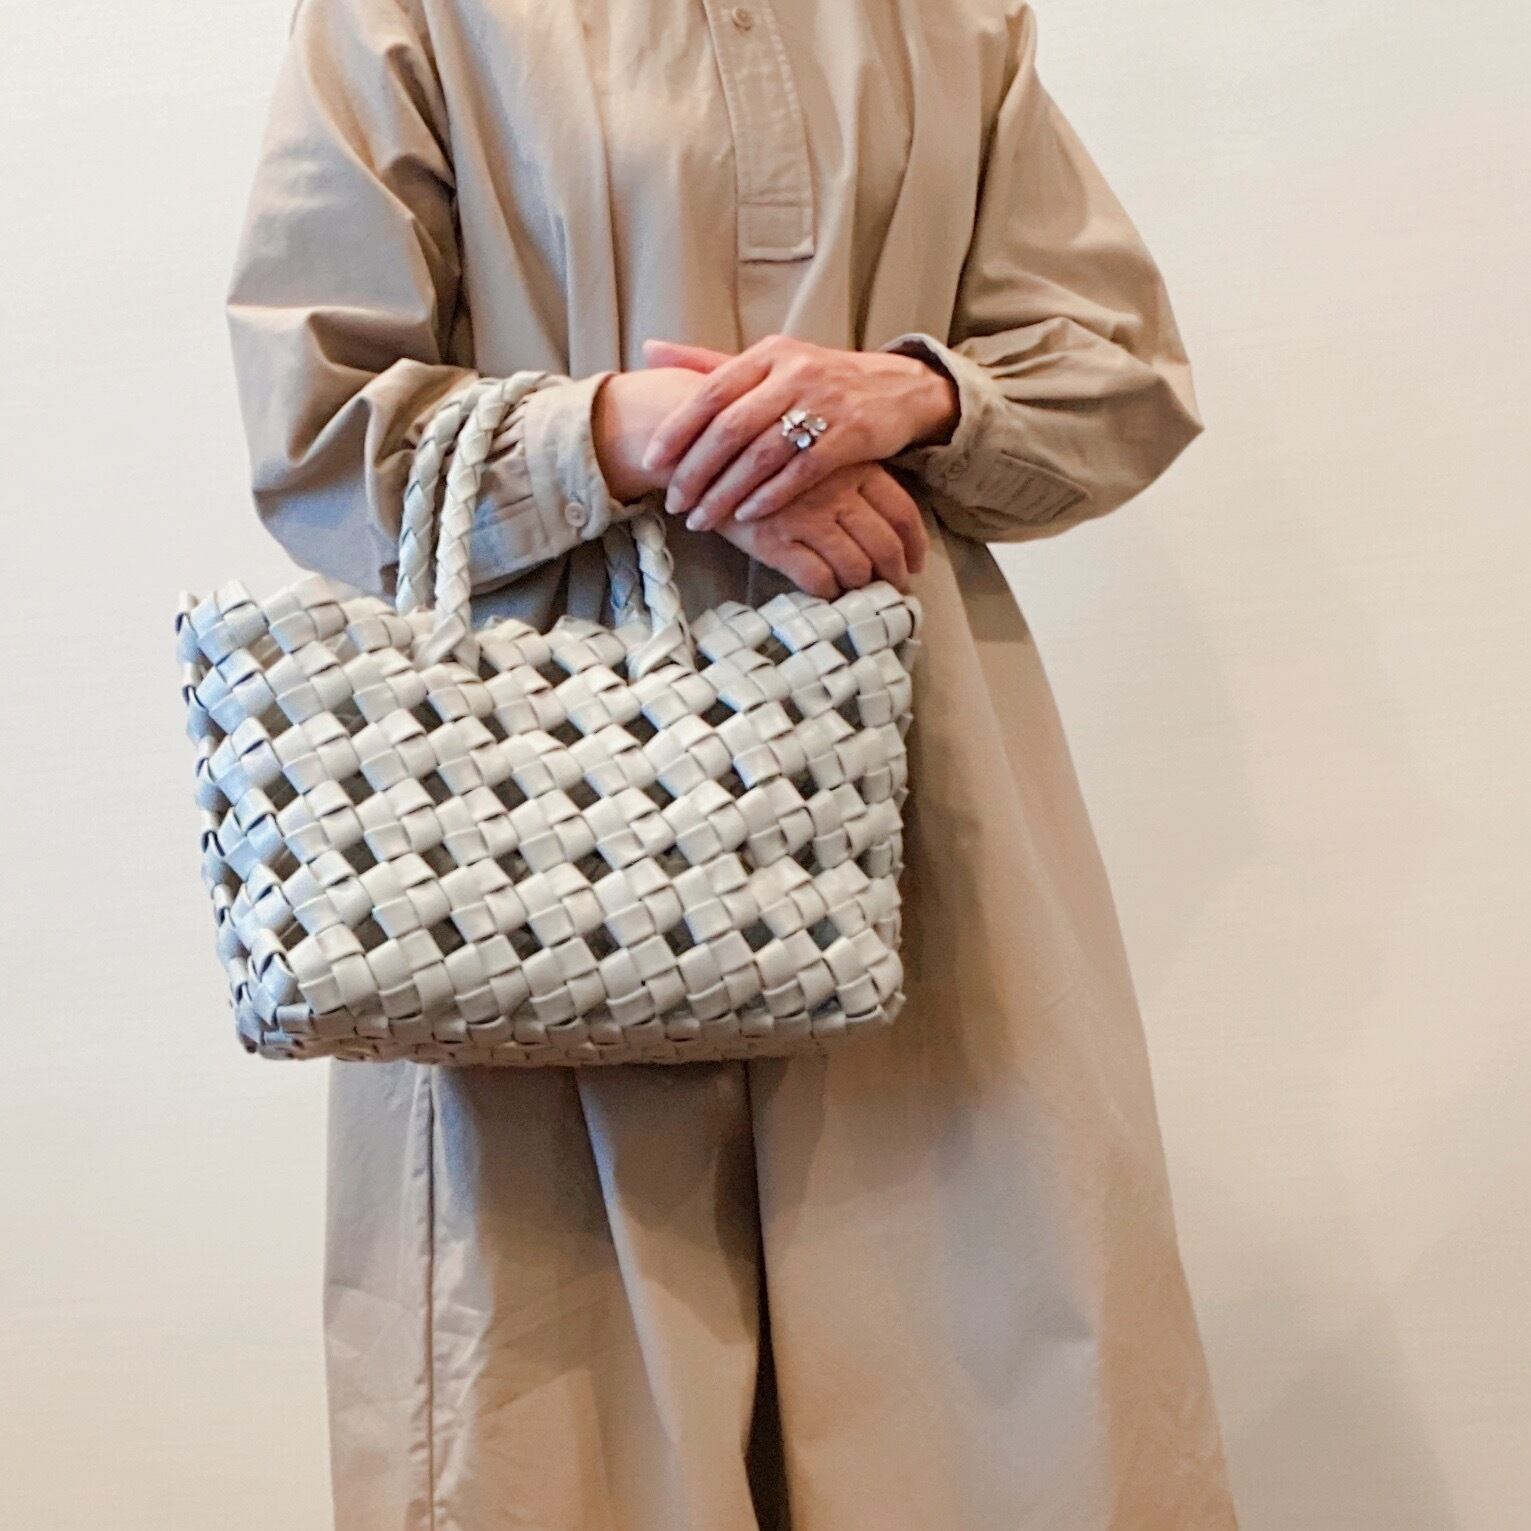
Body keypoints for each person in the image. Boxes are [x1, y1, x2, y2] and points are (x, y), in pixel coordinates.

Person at [224, 0, 1240, 1525]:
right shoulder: (414, 16)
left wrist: (916, 394)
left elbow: (1122, 368)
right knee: (571, 1420)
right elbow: (311, 422)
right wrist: (625, 434)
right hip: (536, 844)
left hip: (913, 800)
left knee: (987, 1397)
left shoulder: (950, 18)